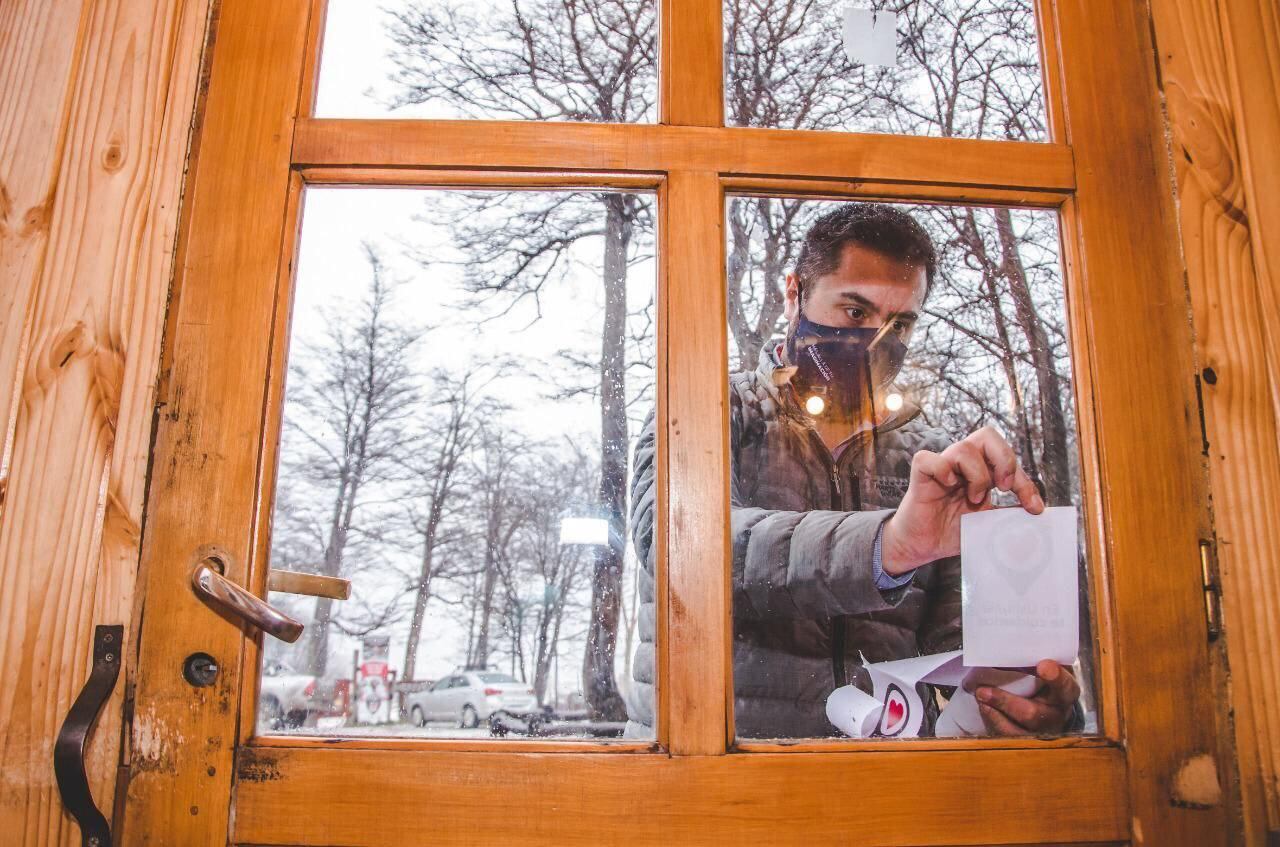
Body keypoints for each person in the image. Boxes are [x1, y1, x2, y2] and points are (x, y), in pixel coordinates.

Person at [625, 202, 1081, 739]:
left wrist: (1032, 697)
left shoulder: (933, 460)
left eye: (900, 323)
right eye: (856, 312)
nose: (876, 343)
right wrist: (889, 547)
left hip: (881, 787)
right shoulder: (705, 409)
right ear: (794, 293)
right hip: (717, 776)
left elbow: (963, 660)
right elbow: (679, 548)